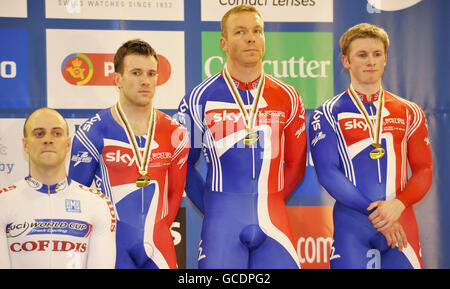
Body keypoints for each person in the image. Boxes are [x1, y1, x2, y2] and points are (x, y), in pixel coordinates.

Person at [177, 5, 307, 269]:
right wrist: (215, 208)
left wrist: (270, 200)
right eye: (240, 32)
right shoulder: (197, 99)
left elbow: (296, 165)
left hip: (273, 219)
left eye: (257, 31)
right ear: (224, 43)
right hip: (222, 223)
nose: (251, 38)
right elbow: (184, 165)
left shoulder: (288, 96)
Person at [309, 23, 433, 269]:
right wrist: (379, 215)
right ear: (346, 61)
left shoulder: (410, 111)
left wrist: (397, 205)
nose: (371, 61)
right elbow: (328, 173)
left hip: (401, 220)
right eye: (362, 55)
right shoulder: (327, 112)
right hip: (353, 225)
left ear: (385, 59)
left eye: (377, 54)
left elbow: (424, 170)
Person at [68, 39, 189, 269]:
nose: (145, 81)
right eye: (136, 73)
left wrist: (158, 228)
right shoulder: (92, 131)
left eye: (151, 73)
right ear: (117, 79)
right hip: (112, 249)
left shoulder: (176, 132)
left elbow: (174, 195)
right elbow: (75, 200)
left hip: (159, 246)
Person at [0, 108, 116, 269]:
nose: (48, 140)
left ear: (68, 144)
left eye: (56, 133)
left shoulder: (98, 203)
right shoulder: (3, 202)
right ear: (25, 145)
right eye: (39, 133)